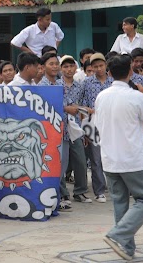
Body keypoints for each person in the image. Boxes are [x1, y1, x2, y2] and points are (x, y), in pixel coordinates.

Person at [95, 55, 143, 261]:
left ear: (109, 73)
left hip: (110, 158)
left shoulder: (101, 96)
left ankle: (126, 247)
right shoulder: (136, 96)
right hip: (132, 158)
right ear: (131, 72)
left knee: (120, 202)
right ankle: (118, 234)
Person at [57, 55, 91, 205]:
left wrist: (84, 129)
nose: (69, 69)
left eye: (71, 66)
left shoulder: (80, 86)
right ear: (61, 69)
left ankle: (80, 191)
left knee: (80, 161)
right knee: (61, 162)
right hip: (60, 127)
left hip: (76, 128)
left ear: (75, 68)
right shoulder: (56, 85)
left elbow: (82, 107)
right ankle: (63, 193)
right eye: (65, 67)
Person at [83, 52, 114, 203]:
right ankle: (99, 190)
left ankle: (115, 188)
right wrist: (85, 128)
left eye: (101, 65)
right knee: (96, 160)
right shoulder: (87, 83)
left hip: (113, 124)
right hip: (94, 124)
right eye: (95, 66)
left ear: (106, 65)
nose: (99, 69)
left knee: (113, 157)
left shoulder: (113, 81)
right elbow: (82, 105)